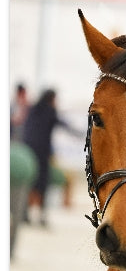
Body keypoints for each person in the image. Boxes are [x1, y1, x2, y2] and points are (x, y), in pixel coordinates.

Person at [22, 88, 80, 226]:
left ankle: (25, 214)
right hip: (42, 154)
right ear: (51, 99)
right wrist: (80, 133)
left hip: (29, 152)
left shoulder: (33, 109)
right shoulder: (50, 111)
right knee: (43, 184)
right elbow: (63, 124)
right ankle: (41, 215)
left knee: (30, 182)